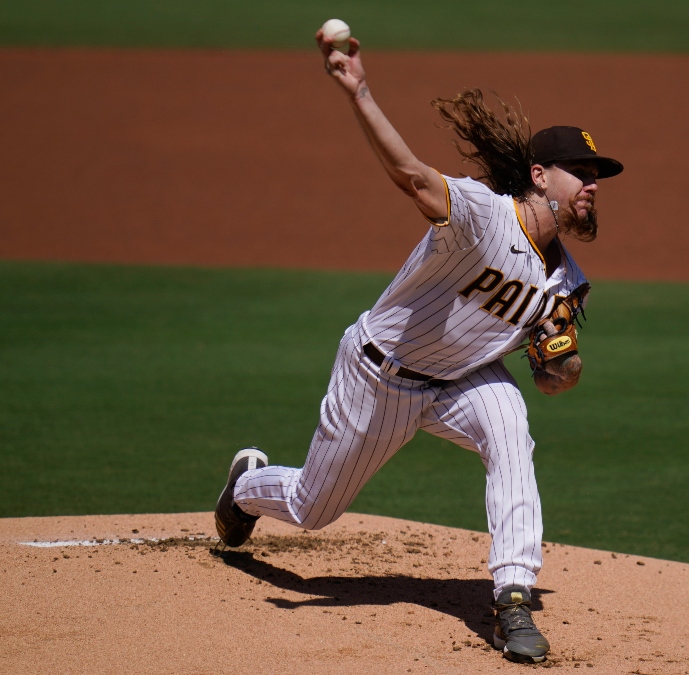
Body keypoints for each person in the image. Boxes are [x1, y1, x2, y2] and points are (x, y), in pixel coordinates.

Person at [214, 29, 623, 665]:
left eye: (598, 176)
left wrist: (561, 365)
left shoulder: (569, 283)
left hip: (462, 381)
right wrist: (360, 92)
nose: (593, 184)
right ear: (540, 177)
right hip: (380, 374)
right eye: (583, 173)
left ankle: (512, 599)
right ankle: (245, 487)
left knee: (511, 426)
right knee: (312, 508)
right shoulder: (482, 215)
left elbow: (553, 379)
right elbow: (411, 175)